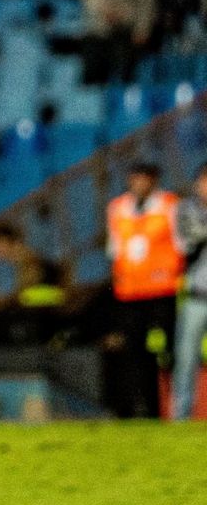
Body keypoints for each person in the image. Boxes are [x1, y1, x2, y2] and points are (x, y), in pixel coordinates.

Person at [106, 163, 184, 419]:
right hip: (130, 293)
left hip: (163, 290)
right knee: (136, 354)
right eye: (134, 178)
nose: (139, 183)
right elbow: (115, 249)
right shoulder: (118, 208)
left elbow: (182, 244)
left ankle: (179, 409)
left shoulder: (170, 205)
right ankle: (147, 410)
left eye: (144, 179)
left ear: (154, 180)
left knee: (171, 351)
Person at [172, 163, 207, 420]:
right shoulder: (186, 208)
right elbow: (188, 241)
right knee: (185, 360)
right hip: (197, 295)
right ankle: (180, 417)